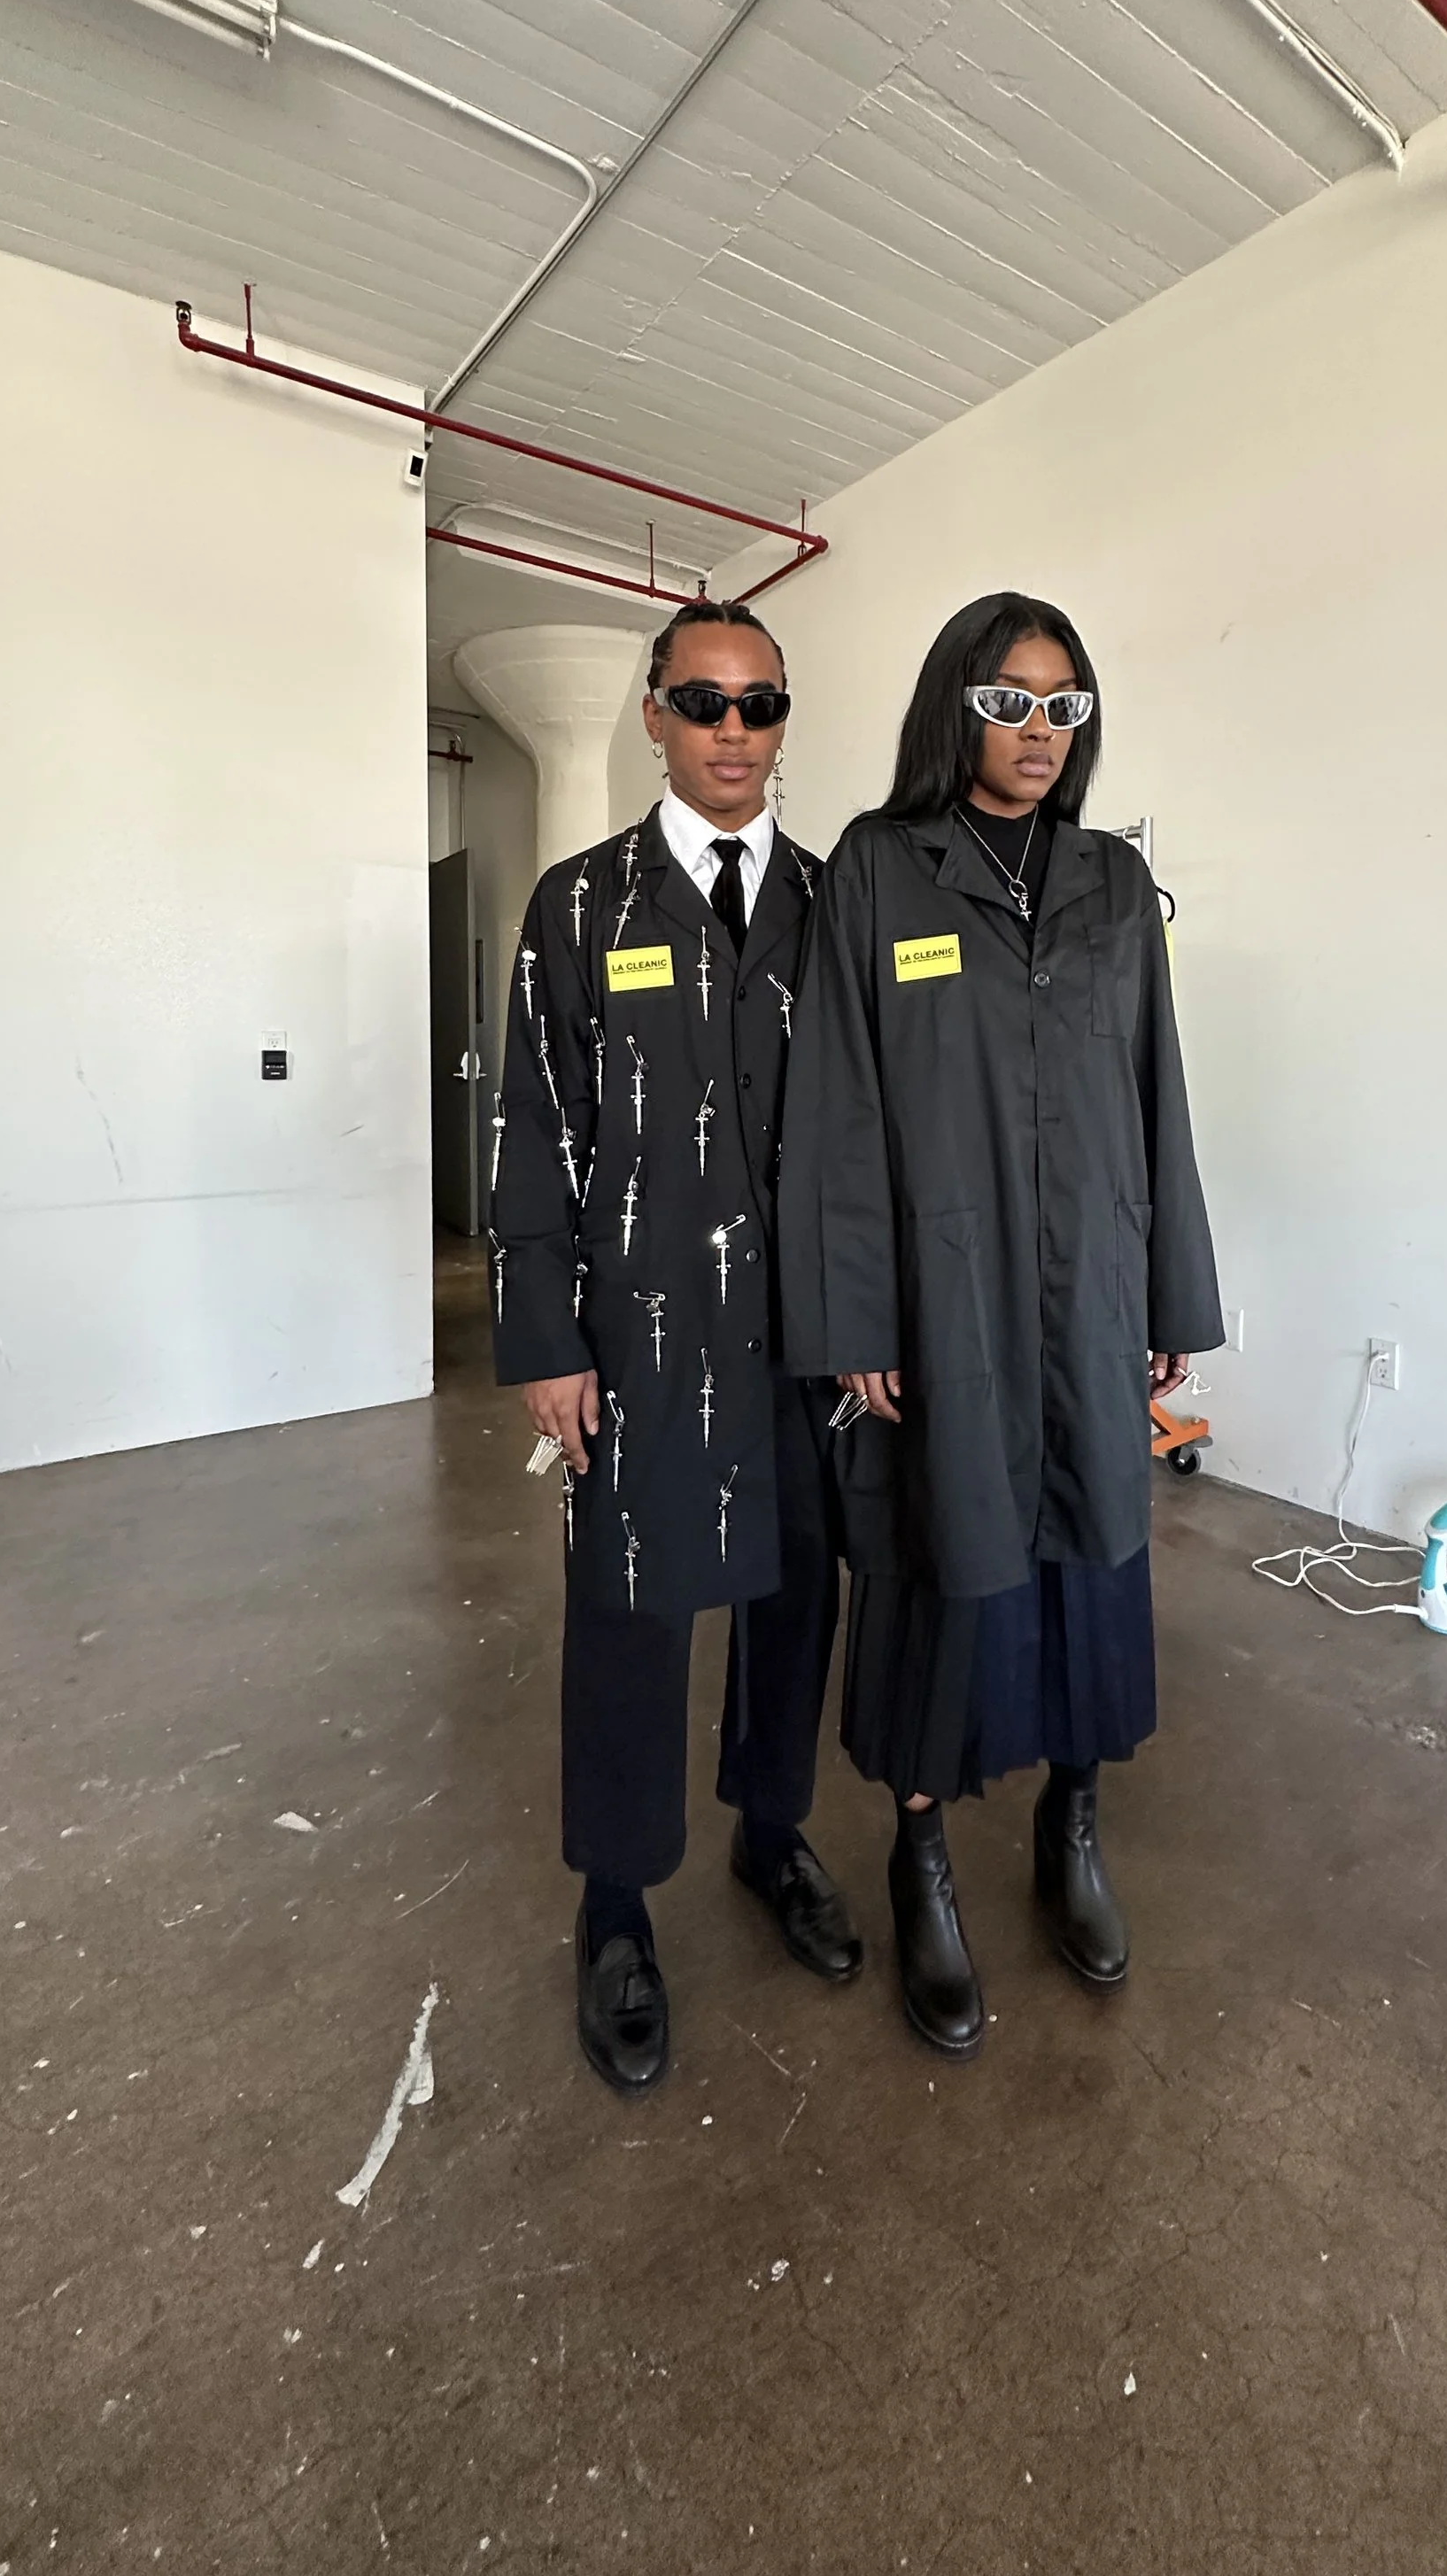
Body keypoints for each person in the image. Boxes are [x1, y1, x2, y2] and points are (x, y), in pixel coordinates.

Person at [778, 592, 1222, 2057]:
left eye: (1066, 706)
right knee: (940, 1563)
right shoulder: (879, 871)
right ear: (957, 705)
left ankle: (1070, 1830)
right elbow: (836, 1112)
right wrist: (854, 1319)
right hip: (941, 1296)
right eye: (1014, 700)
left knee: (1091, 1558)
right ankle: (920, 1861)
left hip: (1088, 1290)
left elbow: (1157, 1095)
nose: (1040, 732)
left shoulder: (1109, 883)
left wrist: (1167, 1300)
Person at [492, 599, 860, 2095]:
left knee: (794, 1599)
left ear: (783, 723)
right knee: (633, 1616)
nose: (731, 732)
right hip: (639, 1339)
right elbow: (532, 1129)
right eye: (702, 702)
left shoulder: (839, 910)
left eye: (759, 706)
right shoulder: (580, 909)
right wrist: (543, 1332)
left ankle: (773, 1837)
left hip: (808, 1338)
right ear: (654, 712)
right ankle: (619, 1901)